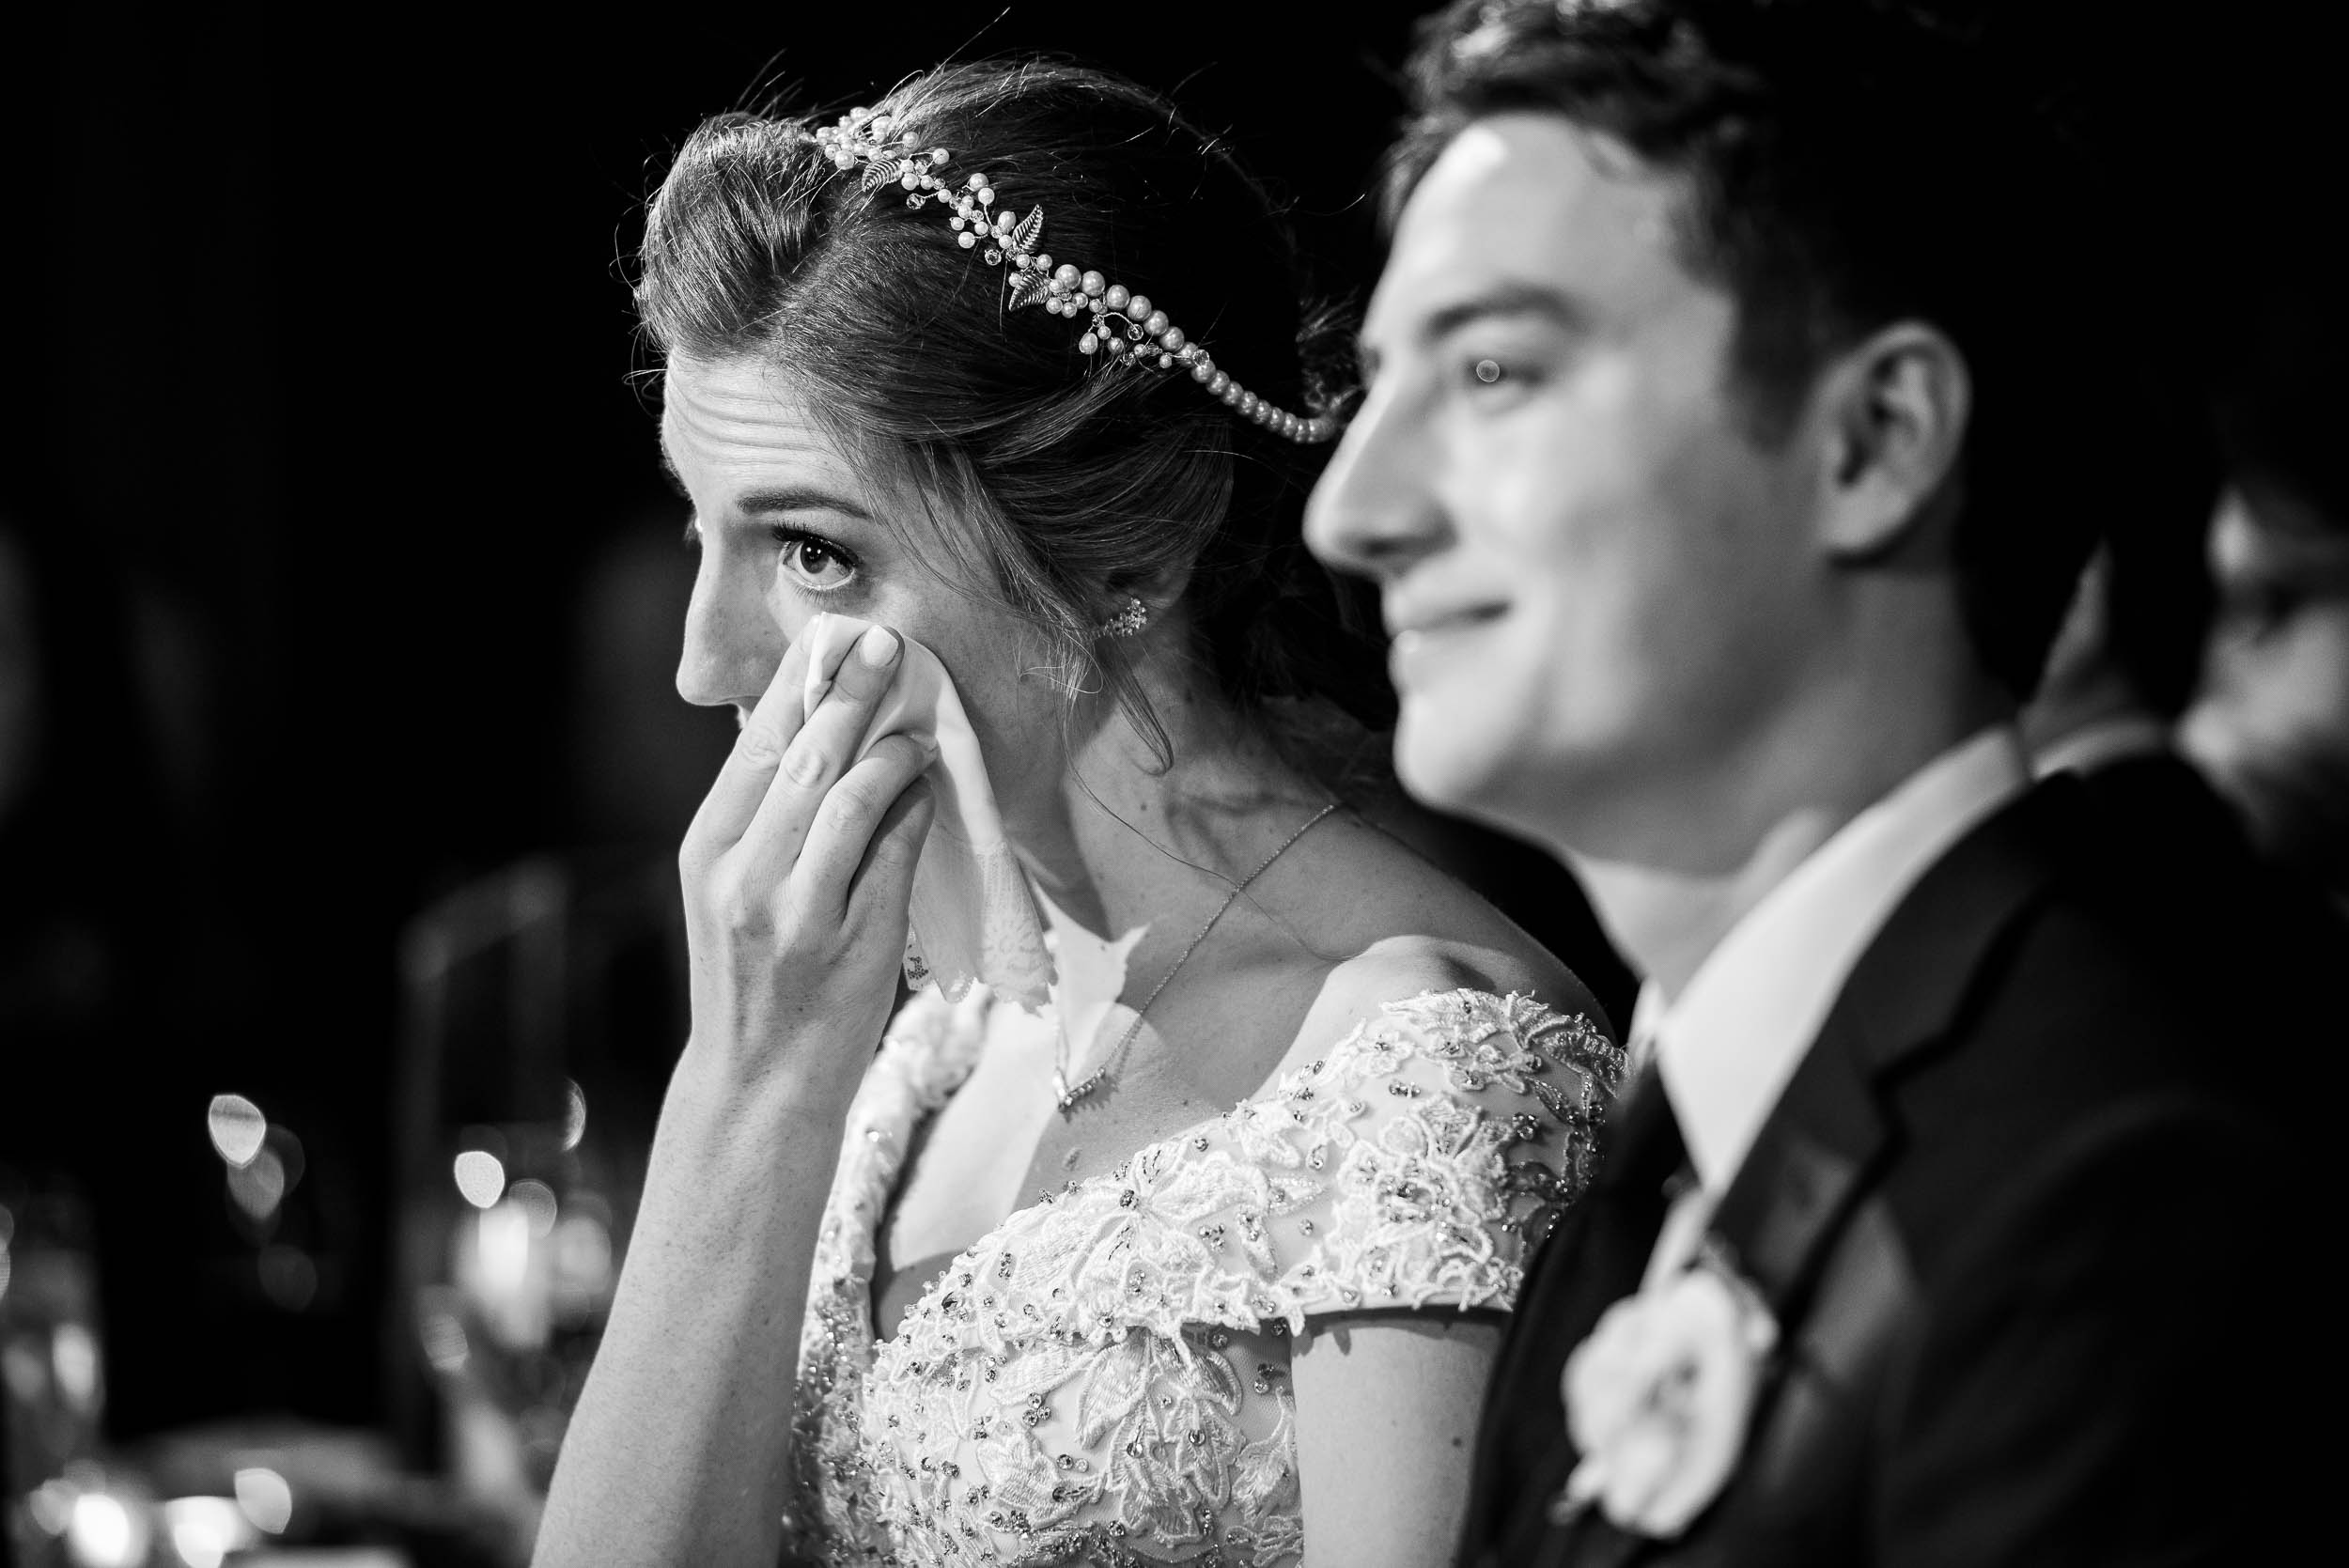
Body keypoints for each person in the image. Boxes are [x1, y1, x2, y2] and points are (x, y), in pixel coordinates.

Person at [534, 60, 1621, 1568]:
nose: (705, 662)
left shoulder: (1416, 1079)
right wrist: (747, 1089)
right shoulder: (920, 1044)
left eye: (812, 552)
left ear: (1133, 553)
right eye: (701, 527)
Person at [1306, 1, 2320, 1563]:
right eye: (1377, 386)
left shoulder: (2120, 1189)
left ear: (1875, 439)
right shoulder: (1661, 1162)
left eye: (1495, 368)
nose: (1349, 509)